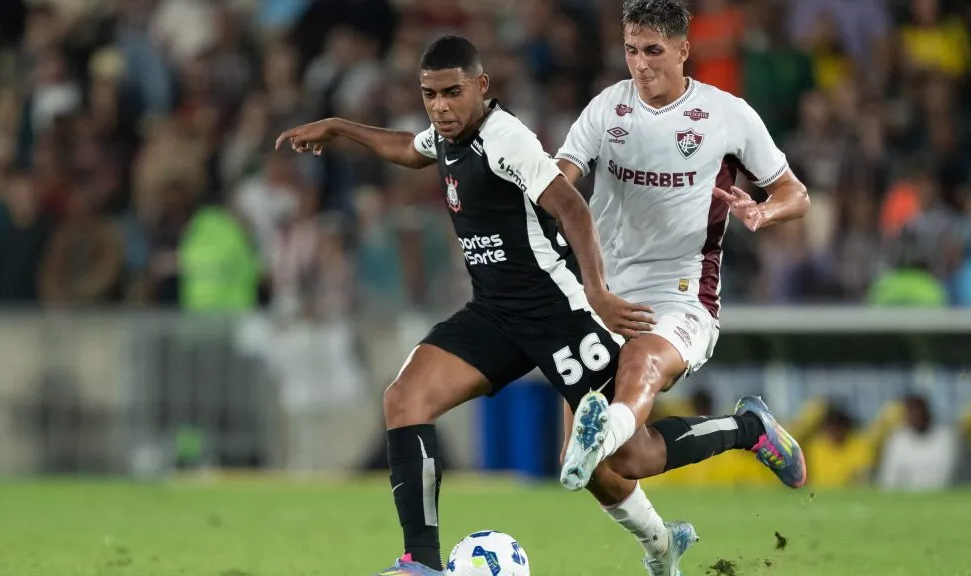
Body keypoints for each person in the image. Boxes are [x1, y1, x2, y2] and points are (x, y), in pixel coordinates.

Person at [278, 35, 653, 576]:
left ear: (481, 85)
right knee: (405, 399)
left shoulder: (507, 140)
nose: (440, 107)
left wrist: (597, 293)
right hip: (497, 314)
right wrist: (338, 127)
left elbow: (573, 210)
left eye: (452, 93)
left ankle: (742, 434)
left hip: (560, 314)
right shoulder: (446, 134)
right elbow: (410, 150)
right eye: (429, 95)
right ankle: (421, 564)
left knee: (620, 462)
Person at [554, 0, 811, 573]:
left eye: (653, 51)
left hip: (682, 296)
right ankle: (672, 530)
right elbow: (563, 178)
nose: (640, 64)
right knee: (617, 462)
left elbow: (796, 194)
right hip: (603, 292)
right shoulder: (607, 108)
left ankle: (603, 426)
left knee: (641, 363)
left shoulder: (727, 115)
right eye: (630, 50)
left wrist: (764, 215)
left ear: (683, 50)